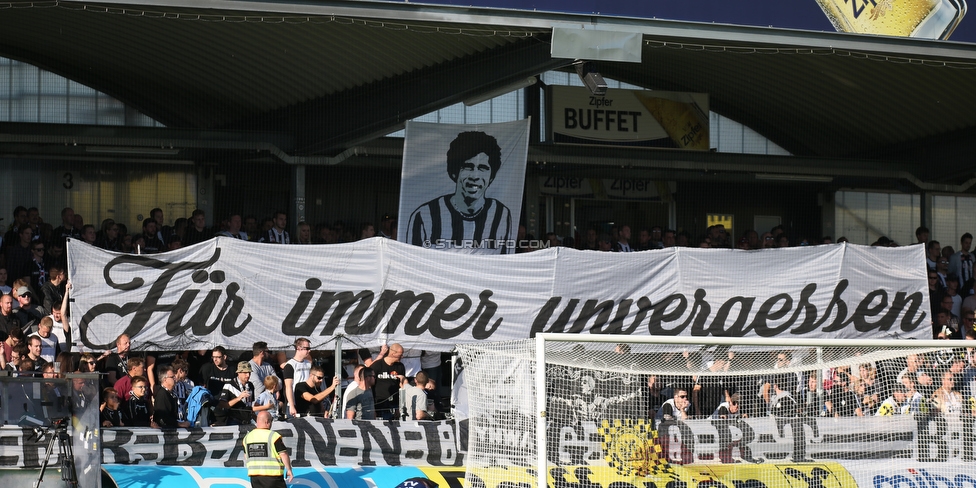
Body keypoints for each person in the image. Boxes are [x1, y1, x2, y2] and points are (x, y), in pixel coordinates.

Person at [406, 131, 514, 254]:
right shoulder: (424, 216)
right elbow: (412, 263)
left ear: (491, 177)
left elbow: (505, 263)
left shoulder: (502, 214)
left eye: (483, 168)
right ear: (454, 172)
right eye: (468, 167)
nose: (475, 176)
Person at [242, 411, 293, 488]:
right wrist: (289, 469)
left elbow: (246, 456)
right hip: (273, 476)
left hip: (255, 477)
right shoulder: (273, 436)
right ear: (267, 422)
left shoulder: (247, 437)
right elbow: (283, 454)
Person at [370, 343, 407, 419]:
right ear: (393, 354)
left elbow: (401, 386)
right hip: (380, 404)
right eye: (400, 354)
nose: (402, 357)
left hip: (394, 405)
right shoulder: (377, 365)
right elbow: (369, 385)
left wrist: (399, 407)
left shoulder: (400, 366)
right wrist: (372, 407)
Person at [217, 362, 256, 426]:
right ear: (238, 373)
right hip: (234, 421)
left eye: (249, 373)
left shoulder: (250, 385)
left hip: (248, 420)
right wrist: (239, 398)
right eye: (245, 373)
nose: (248, 375)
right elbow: (223, 404)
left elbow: (250, 405)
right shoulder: (229, 385)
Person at [283, 338, 312, 418]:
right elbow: (288, 386)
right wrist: (292, 405)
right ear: (299, 348)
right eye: (307, 348)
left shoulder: (308, 364)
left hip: (307, 401)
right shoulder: (290, 365)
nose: (309, 351)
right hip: (294, 403)